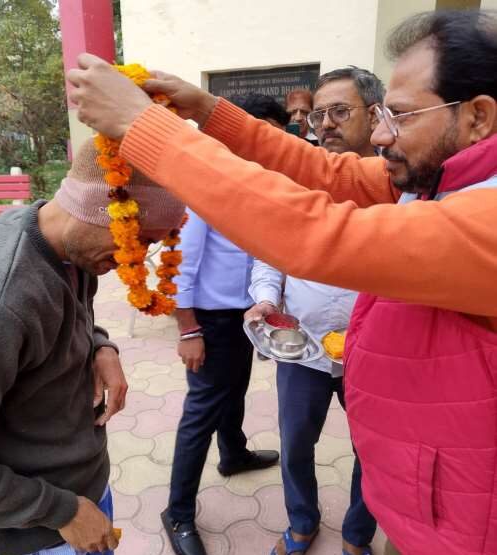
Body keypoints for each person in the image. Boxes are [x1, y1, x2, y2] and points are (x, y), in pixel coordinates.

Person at [67, 8, 497, 555]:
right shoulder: (443, 177)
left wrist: (146, 129)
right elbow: (326, 173)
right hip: (436, 501)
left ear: (478, 117)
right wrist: (206, 110)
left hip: (466, 525)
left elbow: (311, 232)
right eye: (384, 113)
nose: (384, 134)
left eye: (404, 116)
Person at [0, 138, 186, 555]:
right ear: (95, 207)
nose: (133, 260)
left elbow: (71, 316)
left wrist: (100, 347)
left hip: (81, 490)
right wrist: (63, 512)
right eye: (132, 238)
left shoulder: (66, 245)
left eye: (148, 245)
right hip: (43, 531)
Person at [246, 67, 384, 555]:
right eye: (319, 114)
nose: (325, 123)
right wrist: (265, 296)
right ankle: (302, 523)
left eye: (340, 112)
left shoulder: (398, 184)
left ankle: (357, 534)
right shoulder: (295, 181)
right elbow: (269, 253)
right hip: (300, 348)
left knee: (372, 452)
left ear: (375, 115)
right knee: (296, 445)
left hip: (375, 355)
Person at [162, 93, 287, 555]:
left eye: (272, 135)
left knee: (235, 392)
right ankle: (177, 514)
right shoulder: (205, 188)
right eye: (258, 133)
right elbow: (180, 267)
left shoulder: (252, 183)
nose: (264, 144)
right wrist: (188, 330)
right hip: (209, 323)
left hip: (243, 316)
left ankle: (233, 454)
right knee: (200, 415)